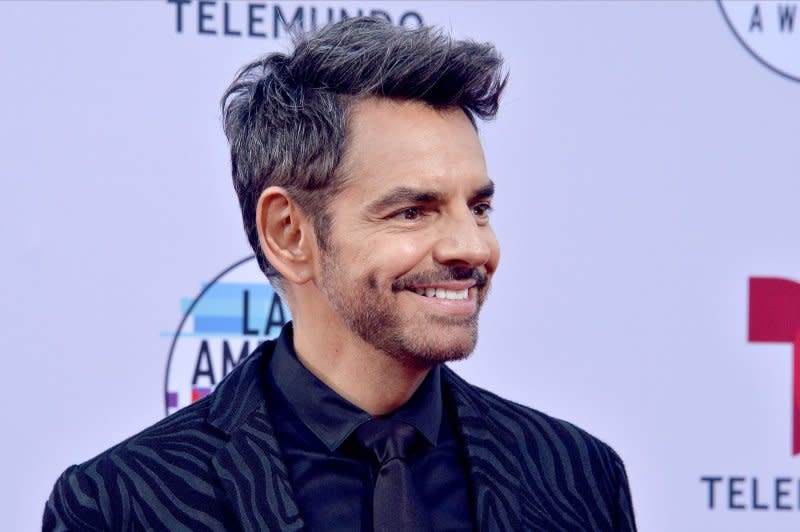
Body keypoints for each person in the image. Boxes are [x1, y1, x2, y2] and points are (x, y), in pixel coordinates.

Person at [44, 17, 636, 531]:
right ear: (289, 234)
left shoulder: (578, 476)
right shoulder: (123, 502)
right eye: (413, 211)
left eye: (478, 208)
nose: (470, 246)